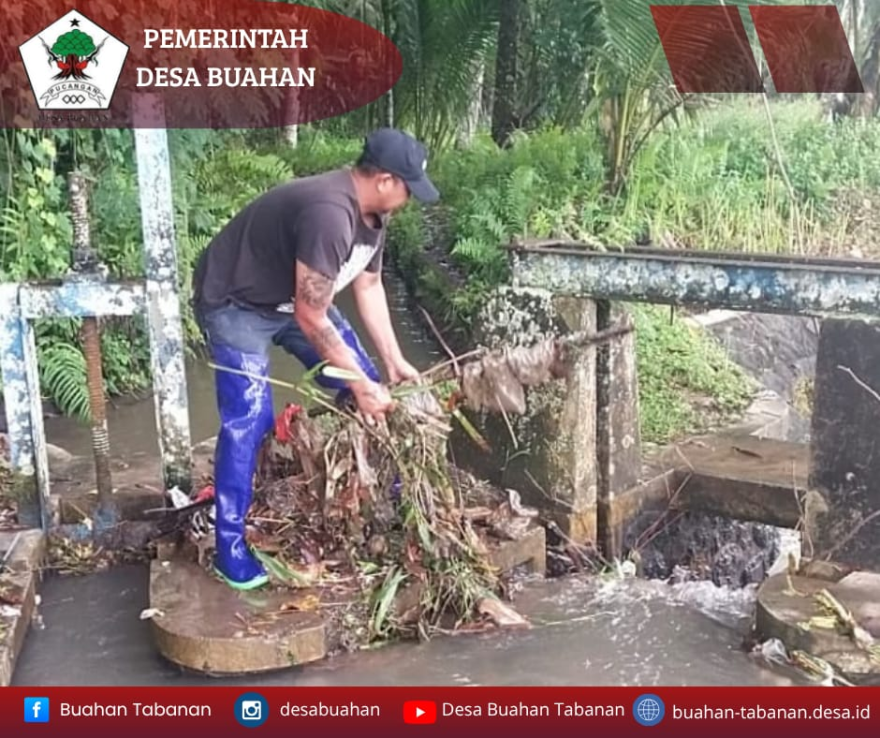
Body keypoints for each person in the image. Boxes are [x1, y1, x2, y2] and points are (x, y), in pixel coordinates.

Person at [191, 128, 440, 590]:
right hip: (236, 301)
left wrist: (391, 361)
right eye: (409, 188)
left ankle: (380, 494)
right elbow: (312, 316)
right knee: (250, 418)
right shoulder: (330, 213)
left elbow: (369, 285)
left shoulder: (375, 216)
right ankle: (229, 547)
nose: (410, 199)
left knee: (365, 386)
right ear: (385, 180)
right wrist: (362, 386)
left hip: (293, 302)